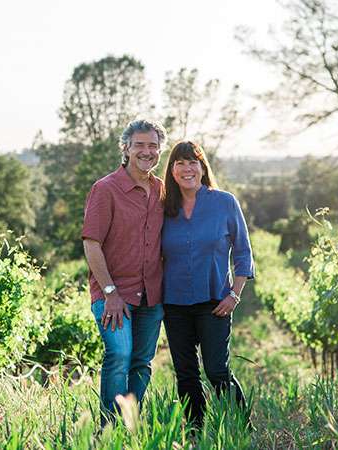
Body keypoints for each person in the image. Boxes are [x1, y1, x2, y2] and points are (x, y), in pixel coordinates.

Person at [161, 141, 254, 429]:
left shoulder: (224, 202)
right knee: (186, 373)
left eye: (193, 162)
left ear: (203, 167)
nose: (187, 168)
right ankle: (195, 432)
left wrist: (234, 296)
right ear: (172, 170)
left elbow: (243, 252)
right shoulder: (163, 208)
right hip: (175, 304)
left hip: (215, 302)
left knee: (217, 370)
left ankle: (242, 428)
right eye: (180, 163)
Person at [81, 119, 168, 426]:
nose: (147, 151)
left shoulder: (161, 190)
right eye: (140, 145)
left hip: (151, 295)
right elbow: (92, 243)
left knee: (142, 363)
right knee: (119, 355)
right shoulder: (106, 189)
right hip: (114, 294)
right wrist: (110, 293)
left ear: (159, 151)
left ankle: (128, 426)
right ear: (126, 148)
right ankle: (109, 429)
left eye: (153, 146)